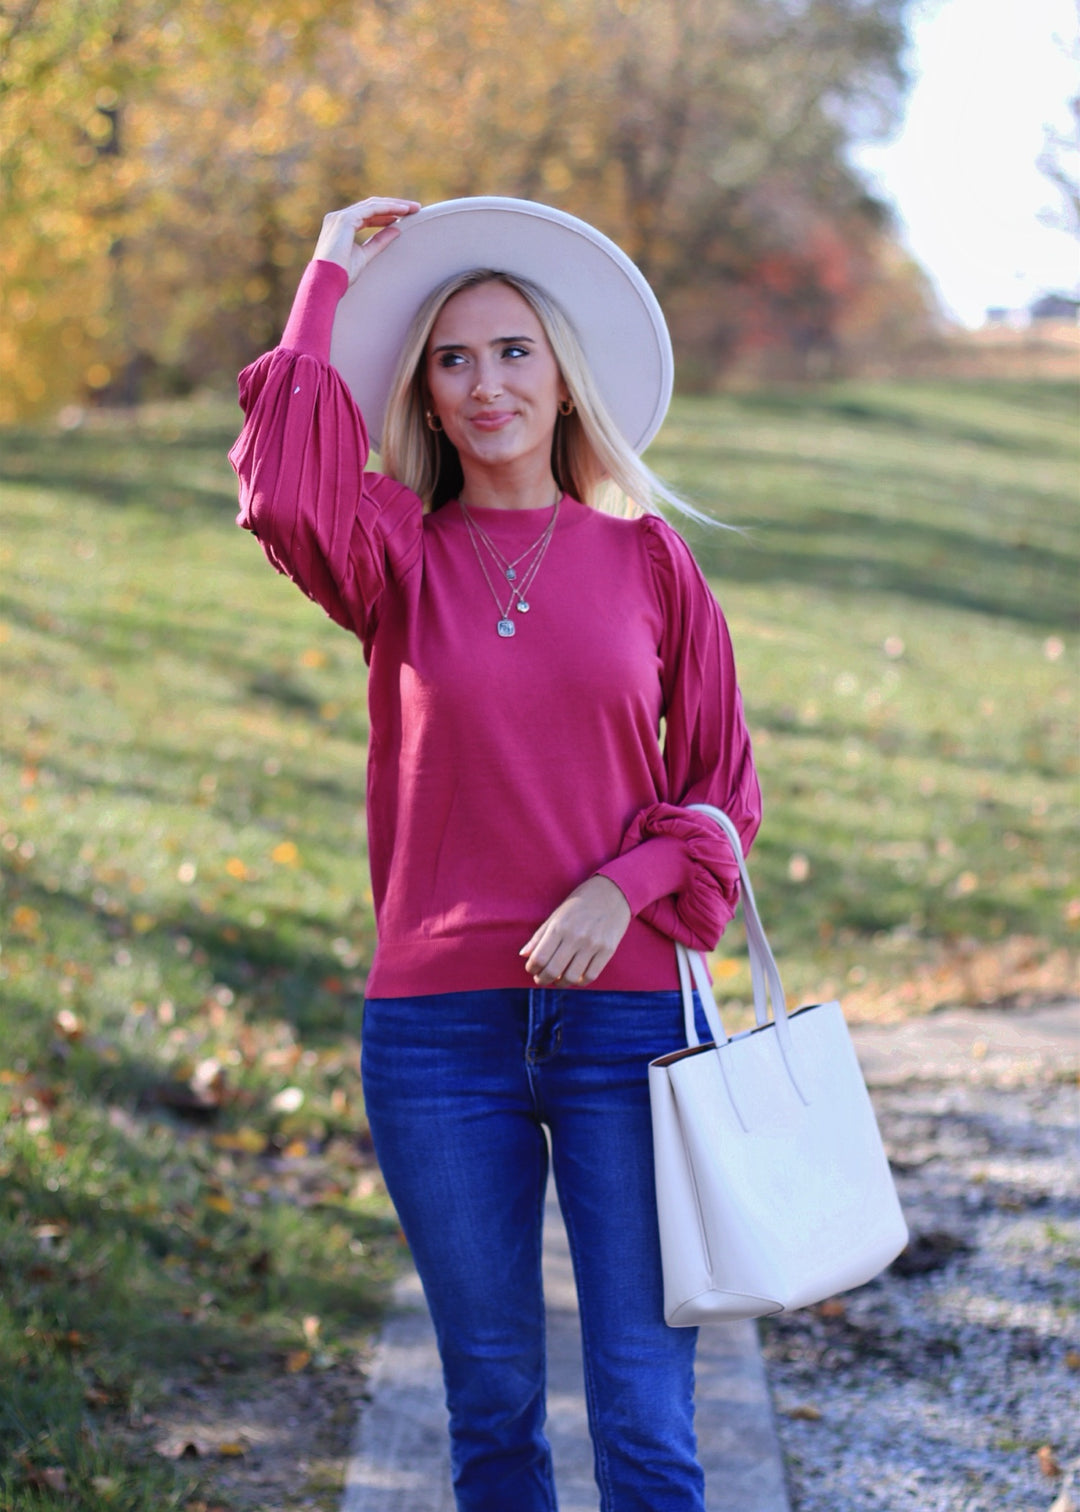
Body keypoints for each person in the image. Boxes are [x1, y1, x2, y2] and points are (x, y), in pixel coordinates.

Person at [229, 194, 761, 1512]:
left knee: (642, 1408)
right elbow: (280, 486)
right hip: (437, 1034)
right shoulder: (393, 557)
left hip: (628, 1029)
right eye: (451, 359)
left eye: (513, 350)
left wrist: (623, 885)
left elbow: (722, 796)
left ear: (563, 376)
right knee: (493, 1402)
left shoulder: (649, 564)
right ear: (424, 391)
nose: (485, 383)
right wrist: (329, 267)